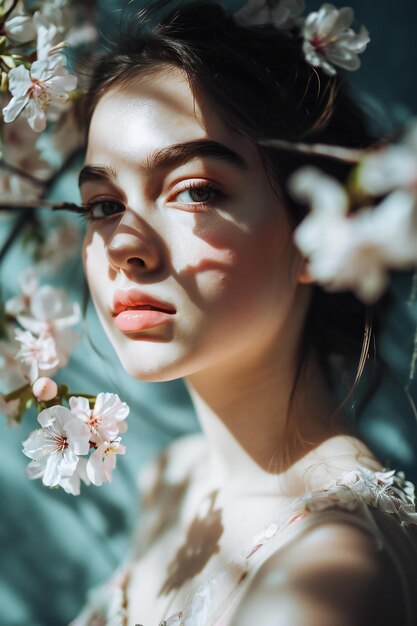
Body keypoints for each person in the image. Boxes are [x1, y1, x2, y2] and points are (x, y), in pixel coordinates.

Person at [70, 1, 417, 624]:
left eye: (195, 191)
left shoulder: (328, 576)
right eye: (101, 205)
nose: (123, 244)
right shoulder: (175, 480)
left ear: (316, 229)